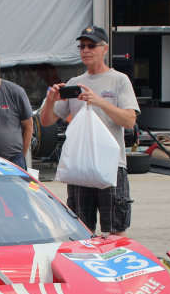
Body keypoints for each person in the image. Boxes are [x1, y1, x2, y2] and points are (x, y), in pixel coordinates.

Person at [40, 26, 140, 237]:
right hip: (80, 166)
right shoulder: (75, 83)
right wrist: (50, 102)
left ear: (104, 49)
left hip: (111, 166)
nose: (85, 50)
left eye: (91, 45)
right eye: (82, 46)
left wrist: (100, 102)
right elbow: (46, 121)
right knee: (80, 231)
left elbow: (130, 120)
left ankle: (115, 268)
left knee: (115, 231)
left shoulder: (119, 80)